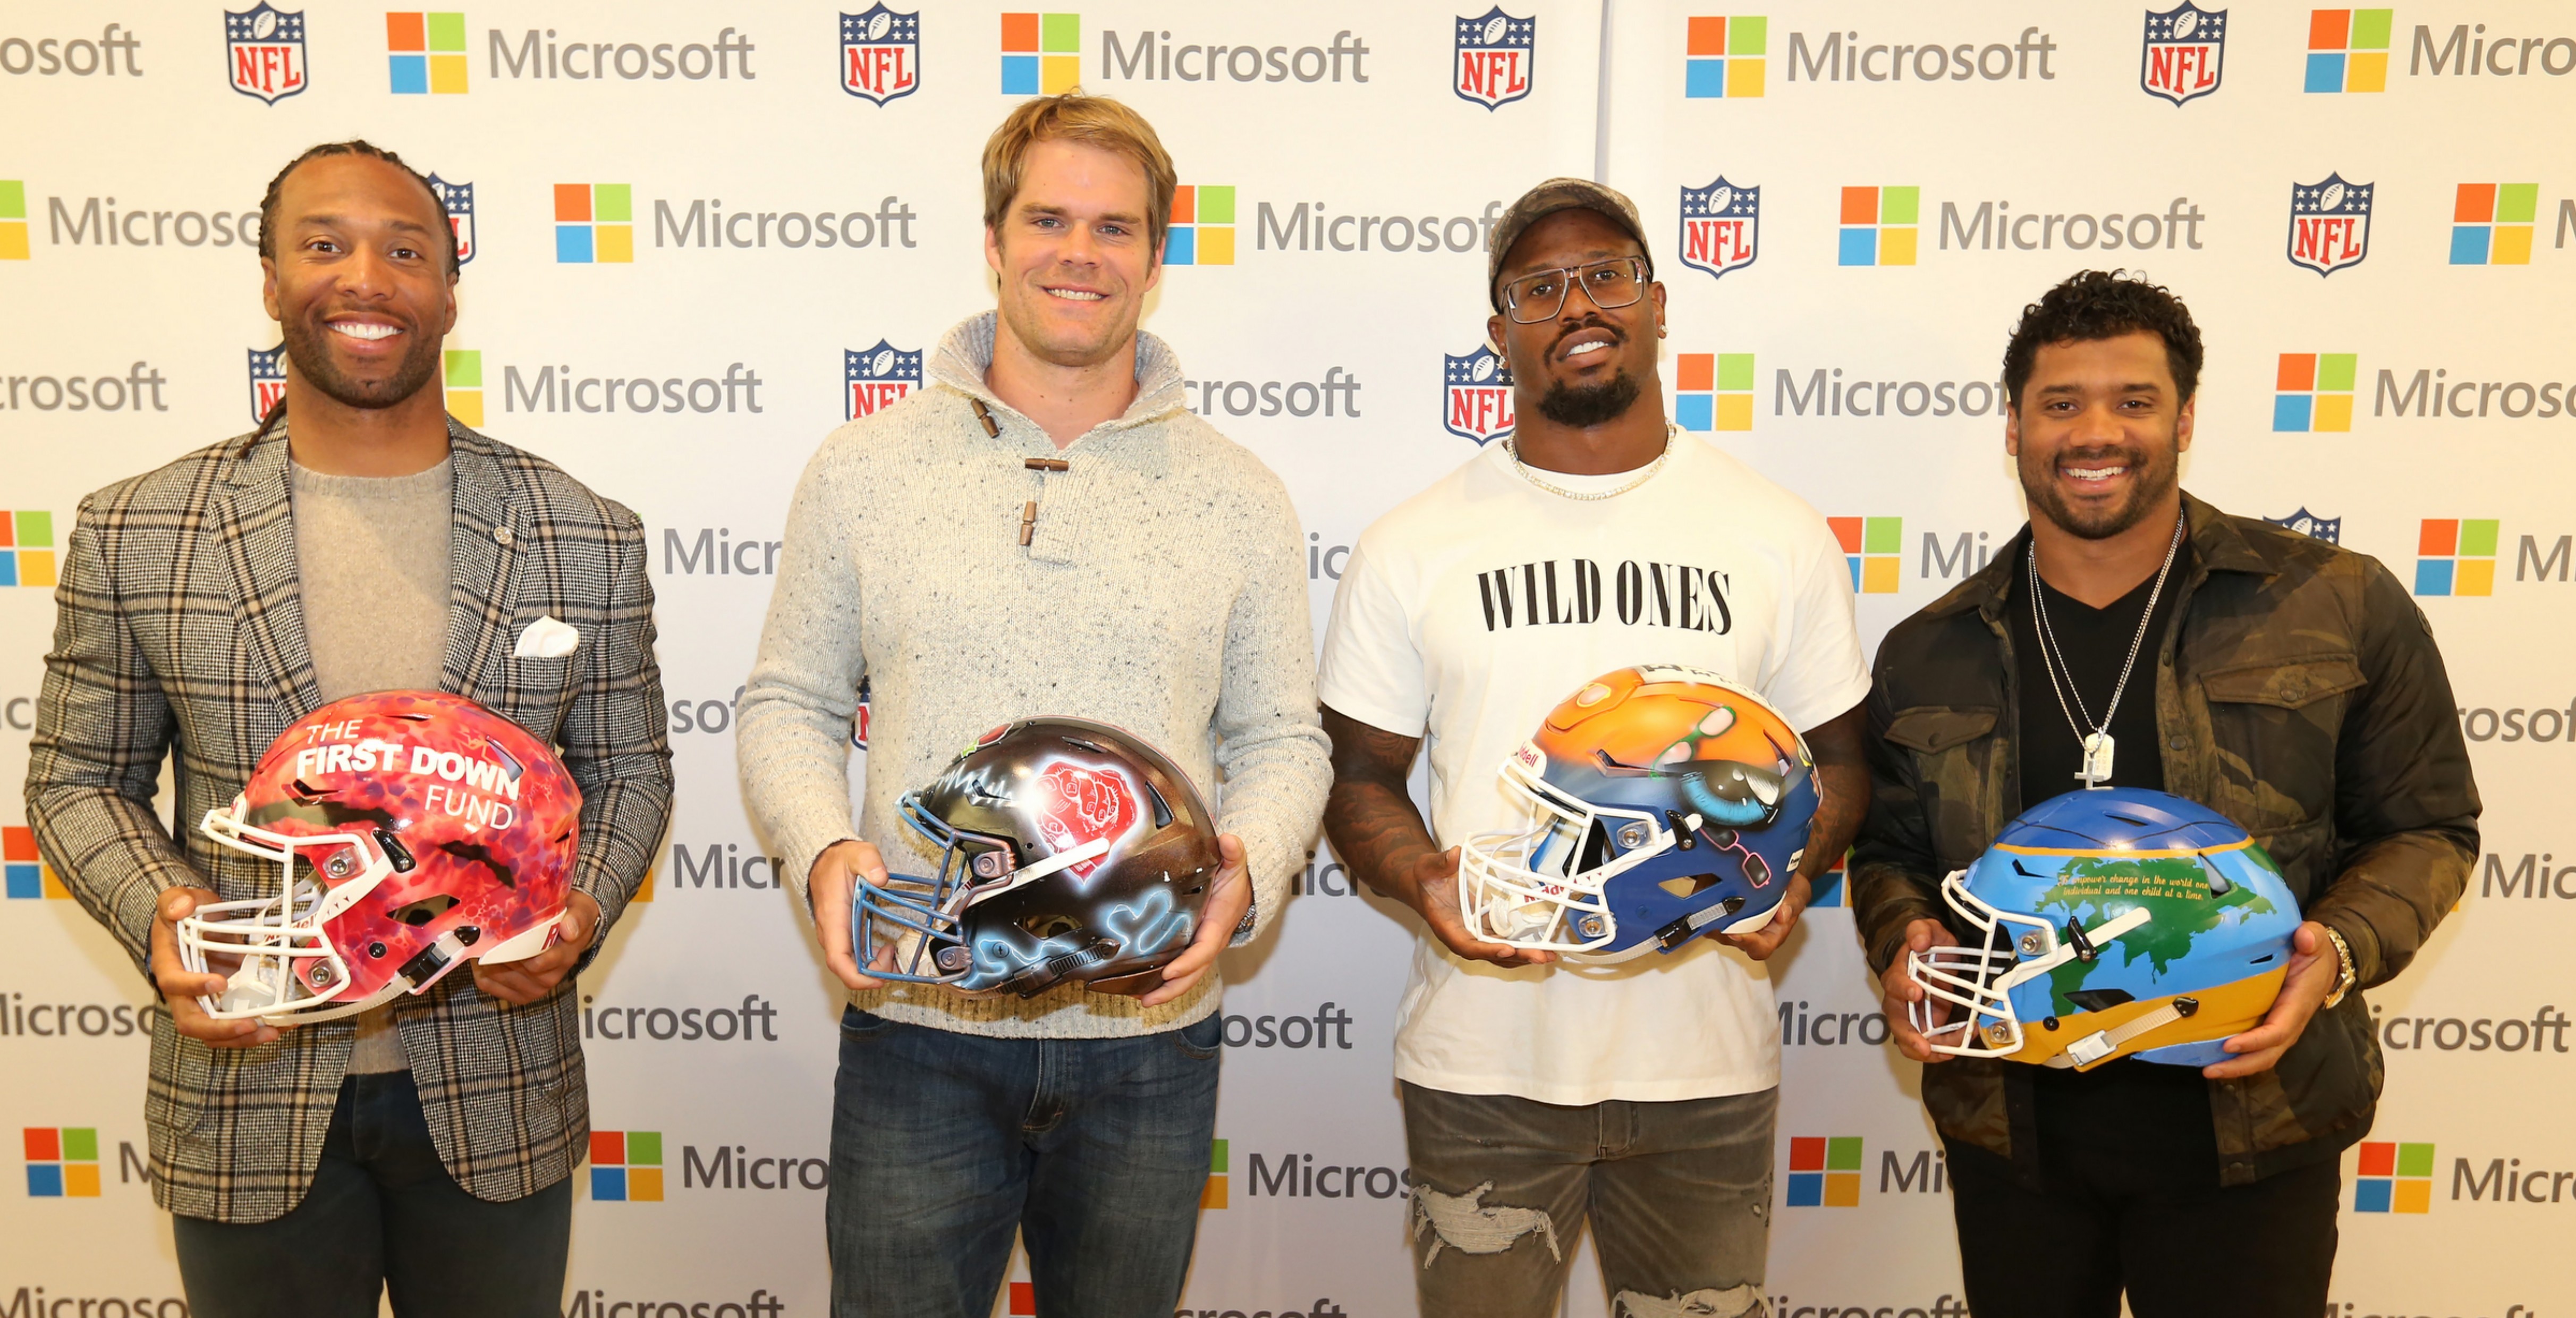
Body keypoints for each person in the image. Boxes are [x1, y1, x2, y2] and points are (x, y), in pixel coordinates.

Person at [24, 140, 673, 1318]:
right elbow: (78, 778)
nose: (365, 277)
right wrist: (167, 911)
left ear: (449, 290)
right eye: (324, 245)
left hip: (497, 1088)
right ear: (271, 280)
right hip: (247, 1086)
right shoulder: (138, 529)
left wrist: (573, 912)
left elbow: (628, 771)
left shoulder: (584, 530)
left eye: (405, 249)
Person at [734, 93, 1332, 1318]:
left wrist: (1250, 866)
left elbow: (1282, 737)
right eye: (1048, 218)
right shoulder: (863, 469)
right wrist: (824, 845)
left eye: (1115, 228)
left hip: (1149, 1039)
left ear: (1156, 259)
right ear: (995, 240)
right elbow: (788, 700)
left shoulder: (1239, 493)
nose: (1080, 252)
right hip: (919, 1019)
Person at [1851, 269, 2478, 1317]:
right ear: (2013, 428)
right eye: (2061, 403)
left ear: (2184, 417)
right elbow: (1889, 852)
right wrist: (1902, 933)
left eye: (2132, 400)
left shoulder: (2335, 601)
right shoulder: (1929, 649)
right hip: (2015, 1139)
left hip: (2252, 1127)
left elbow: (2426, 825)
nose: (2095, 432)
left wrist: (2337, 948)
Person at [1316, 178, 1871, 1317]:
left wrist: (1795, 866)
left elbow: (1845, 758)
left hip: (1706, 1065)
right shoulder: (1412, 544)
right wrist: (1426, 877)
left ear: (1658, 303)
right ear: (1498, 333)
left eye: (1606, 274)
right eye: (1539, 285)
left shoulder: (1774, 533)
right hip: (1484, 1063)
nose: (1578, 303)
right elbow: (1357, 774)